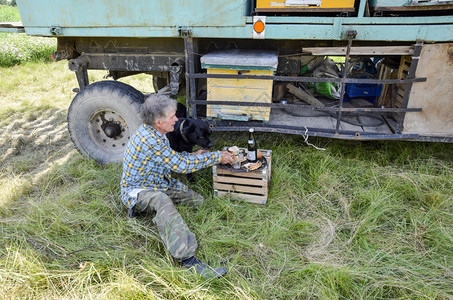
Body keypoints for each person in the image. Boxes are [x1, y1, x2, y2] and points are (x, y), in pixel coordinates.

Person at [120, 93, 233, 279]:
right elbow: (180, 166)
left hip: (159, 181)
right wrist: (217, 156)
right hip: (139, 190)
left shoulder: (156, 132)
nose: (176, 119)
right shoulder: (150, 139)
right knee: (162, 201)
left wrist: (195, 156)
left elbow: (174, 158)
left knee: (197, 201)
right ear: (158, 121)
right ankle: (187, 259)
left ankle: (142, 211)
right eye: (172, 117)